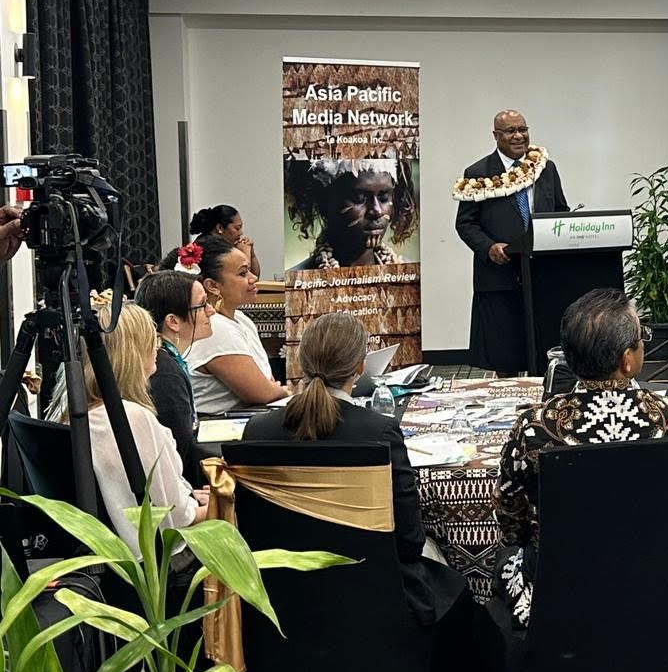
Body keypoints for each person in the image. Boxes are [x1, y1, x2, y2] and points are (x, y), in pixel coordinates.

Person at [491, 288, 668, 628]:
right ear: (627, 360)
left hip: (559, 582)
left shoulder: (536, 426)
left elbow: (508, 505)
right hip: (652, 576)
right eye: (641, 337)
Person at [242, 313, 462, 623]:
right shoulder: (379, 432)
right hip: (377, 596)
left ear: (300, 363)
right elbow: (410, 539)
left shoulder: (258, 430)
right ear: (360, 367)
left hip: (281, 594)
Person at [46, 301, 209, 555]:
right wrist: (219, 504)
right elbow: (172, 522)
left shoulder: (67, 412)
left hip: (93, 558)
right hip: (150, 570)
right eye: (150, 340)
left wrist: (187, 497)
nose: (157, 347)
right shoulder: (129, 420)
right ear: (132, 352)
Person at [454, 109, 569, 376]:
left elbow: (561, 209)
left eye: (523, 129)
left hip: (543, 275)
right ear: (496, 136)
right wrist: (488, 247)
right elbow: (465, 224)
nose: (519, 136)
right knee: (504, 353)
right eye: (510, 131)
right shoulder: (478, 172)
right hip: (500, 275)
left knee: (543, 348)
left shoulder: (545, 168)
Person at [178, 235, 288, 414]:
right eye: (243, 273)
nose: (253, 278)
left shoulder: (241, 318)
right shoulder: (215, 328)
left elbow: (268, 382)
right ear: (212, 285)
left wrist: (275, 389)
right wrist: (284, 390)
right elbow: (262, 394)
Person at [134, 265, 214, 487]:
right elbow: (177, 454)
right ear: (173, 321)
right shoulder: (163, 372)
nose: (211, 311)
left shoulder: (163, 360)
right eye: (202, 305)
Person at [286, 156, 417, 269]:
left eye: (383, 197)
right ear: (324, 203)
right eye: (359, 198)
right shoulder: (299, 285)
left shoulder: (411, 277)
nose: (377, 211)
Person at [189, 204, 260, 277]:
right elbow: (243, 277)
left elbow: (254, 276)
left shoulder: (222, 244)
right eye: (237, 228)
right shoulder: (208, 246)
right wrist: (245, 252)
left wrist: (252, 254)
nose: (241, 233)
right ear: (220, 228)